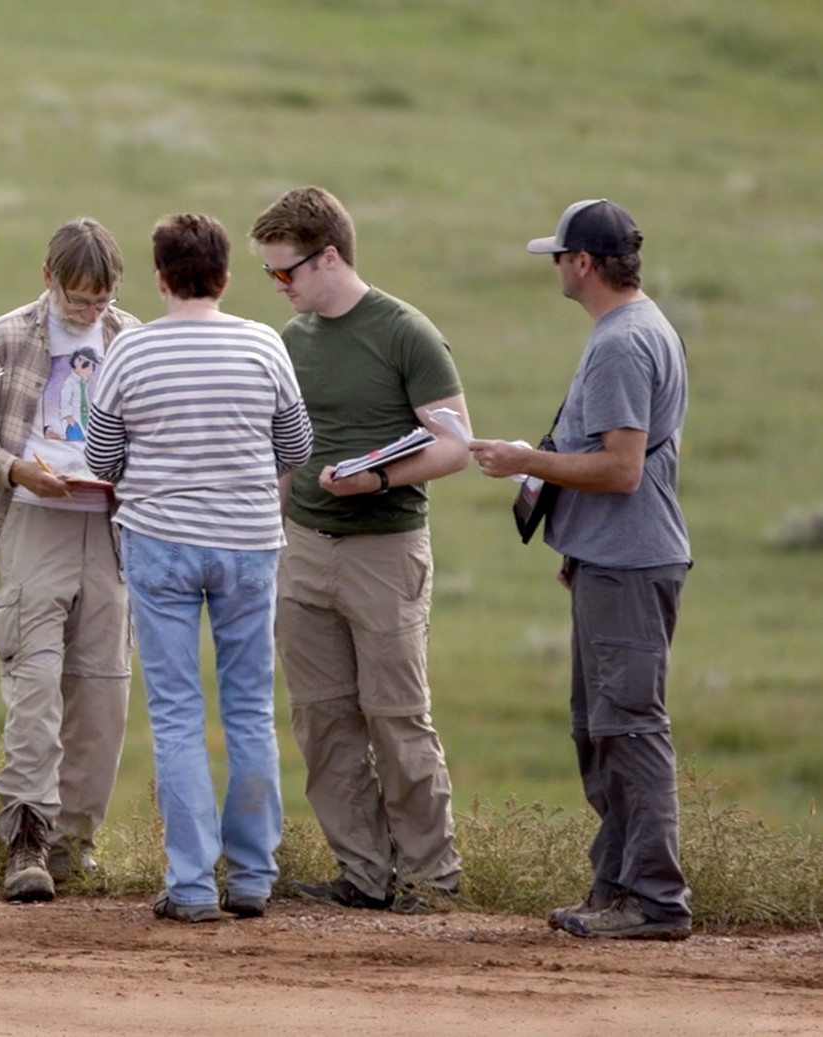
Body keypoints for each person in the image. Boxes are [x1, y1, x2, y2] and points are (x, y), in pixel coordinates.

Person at [469, 199, 693, 940]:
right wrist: (579, 546)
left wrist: (524, 459)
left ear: (584, 263)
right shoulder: (633, 328)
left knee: (627, 728)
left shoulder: (623, 343)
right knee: (599, 729)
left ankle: (654, 899)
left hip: (627, 562)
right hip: (612, 559)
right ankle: (616, 887)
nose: (556, 267)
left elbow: (622, 469)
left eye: (560, 256)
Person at [85, 212, 313, 922]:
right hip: (248, 541)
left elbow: (100, 457)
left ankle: (189, 882)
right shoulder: (263, 344)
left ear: (160, 279)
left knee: (177, 713)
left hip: (160, 540)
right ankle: (251, 874)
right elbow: (297, 445)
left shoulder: (130, 352)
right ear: (223, 275)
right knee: (248, 708)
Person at [248, 186, 470, 914]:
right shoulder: (288, 343)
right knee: (321, 718)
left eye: (286, 272)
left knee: (395, 714)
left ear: (330, 256)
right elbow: (277, 454)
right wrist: (267, 540)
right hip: (302, 549)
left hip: (385, 548)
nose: (279, 288)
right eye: (271, 276)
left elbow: (454, 446)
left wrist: (377, 475)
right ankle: (363, 872)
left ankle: (430, 879)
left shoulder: (405, 332)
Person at [0, 218, 139, 903]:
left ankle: (71, 851)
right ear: (47, 279)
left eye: (100, 299)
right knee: (34, 687)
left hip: (114, 532)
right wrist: (18, 471)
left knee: (103, 692)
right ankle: (24, 841)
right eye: (77, 299)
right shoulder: (6, 336)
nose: (89, 312)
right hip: (32, 525)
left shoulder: (130, 337)